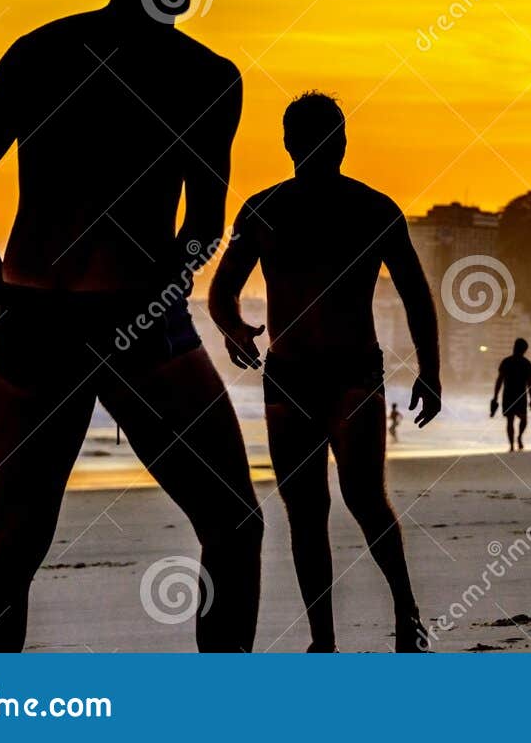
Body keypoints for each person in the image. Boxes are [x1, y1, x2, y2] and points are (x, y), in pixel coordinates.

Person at [0, 0, 261, 652]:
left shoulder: (38, 53)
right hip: (136, 321)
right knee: (233, 523)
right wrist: (170, 285)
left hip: (33, 323)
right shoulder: (204, 76)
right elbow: (206, 222)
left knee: (11, 548)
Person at [209, 91, 441, 653]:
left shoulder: (373, 209)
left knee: (360, 499)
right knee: (307, 511)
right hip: (289, 378)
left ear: (338, 144)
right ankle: (324, 641)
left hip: (352, 375)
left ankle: (404, 613)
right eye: (312, 140)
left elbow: (415, 293)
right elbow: (222, 291)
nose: (319, 149)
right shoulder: (263, 210)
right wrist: (234, 328)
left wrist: (431, 372)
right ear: (297, 144)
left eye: (324, 140)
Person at [491, 339, 531, 452]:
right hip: (515, 395)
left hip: (513, 395)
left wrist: (495, 396)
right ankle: (514, 442)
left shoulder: (510, 362)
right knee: (515, 420)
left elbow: (499, 380)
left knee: (516, 420)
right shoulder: (522, 363)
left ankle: (516, 440)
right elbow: (500, 380)